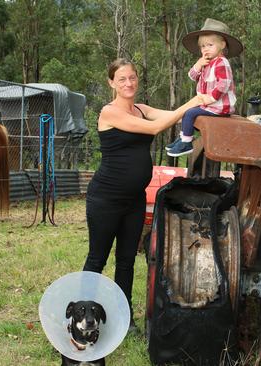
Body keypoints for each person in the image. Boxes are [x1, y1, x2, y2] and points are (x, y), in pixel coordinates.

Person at [83, 58, 202, 332]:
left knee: (126, 260)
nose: (128, 83)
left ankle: (124, 319)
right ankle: (83, 317)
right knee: (97, 258)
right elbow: (154, 128)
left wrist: (202, 103)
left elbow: (174, 116)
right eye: (122, 79)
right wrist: (193, 102)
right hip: (106, 198)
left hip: (134, 200)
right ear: (111, 82)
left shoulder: (142, 109)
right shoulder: (109, 112)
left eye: (132, 78)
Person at [166, 18, 244, 157]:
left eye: (210, 45)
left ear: (222, 45)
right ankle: (184, 137)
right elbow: (191, 75)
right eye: (203, 46)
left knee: (189, 113)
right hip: (208, 104)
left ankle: (186, 143)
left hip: (219, 106)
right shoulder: (207, 63)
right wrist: (198, 64)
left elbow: (223, 83)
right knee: (187, 111)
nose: (205, 49)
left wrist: (210, 98)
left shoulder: (221, 62)